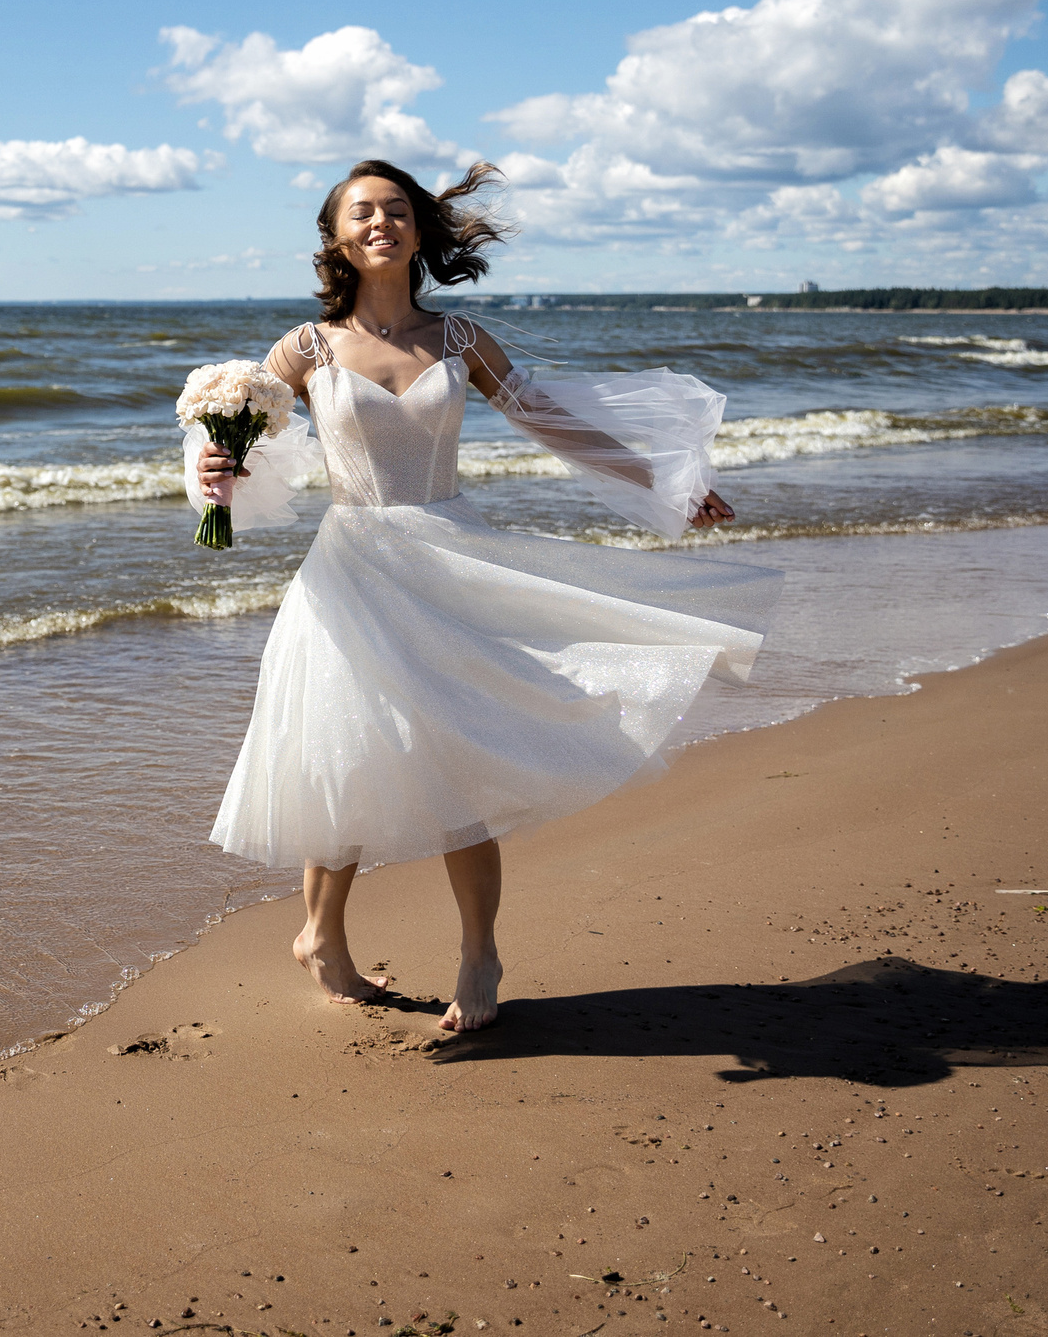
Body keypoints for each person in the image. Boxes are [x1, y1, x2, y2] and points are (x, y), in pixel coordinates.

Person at [193, 159, 782, 1033]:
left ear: (420, 231)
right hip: (352, 569)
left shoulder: (460, 339)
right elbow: (248, 458)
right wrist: (214, 473)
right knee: (342, 752)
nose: (381, 221)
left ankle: (480, 954)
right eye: (362, 212)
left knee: (458, 751)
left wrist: (664, 480)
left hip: (447, 560)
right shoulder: (303, 350)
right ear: (337, 238)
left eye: (397, 209)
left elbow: (551, 421)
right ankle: (319, 935)